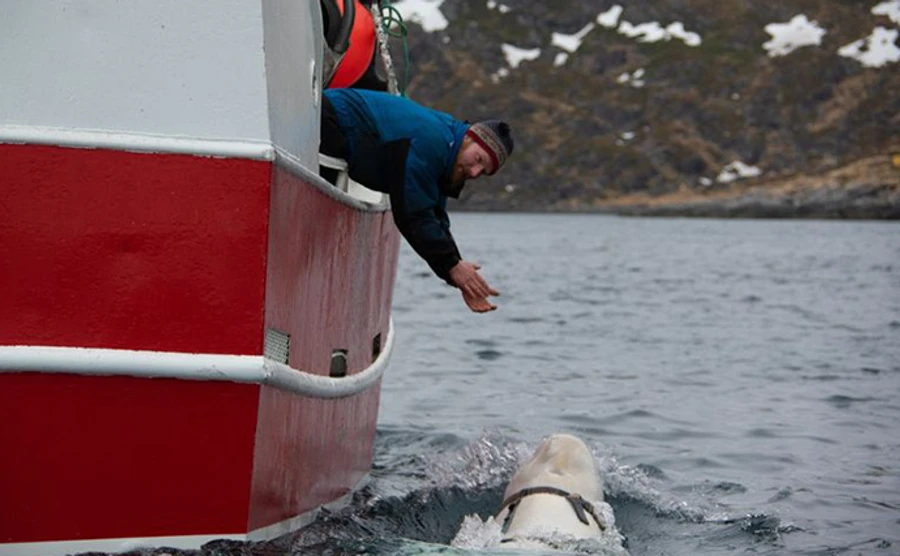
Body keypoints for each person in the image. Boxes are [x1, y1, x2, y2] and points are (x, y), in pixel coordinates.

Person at [320, 88, 514, 313]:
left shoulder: (447, 150)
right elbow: (413, 213)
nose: (474, 172)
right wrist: (452, 266)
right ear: (469, 137)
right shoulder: (431, 141)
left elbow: (435, 216)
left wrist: (458, 271)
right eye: (478, 159)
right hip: (329, 118)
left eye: (483, 172)